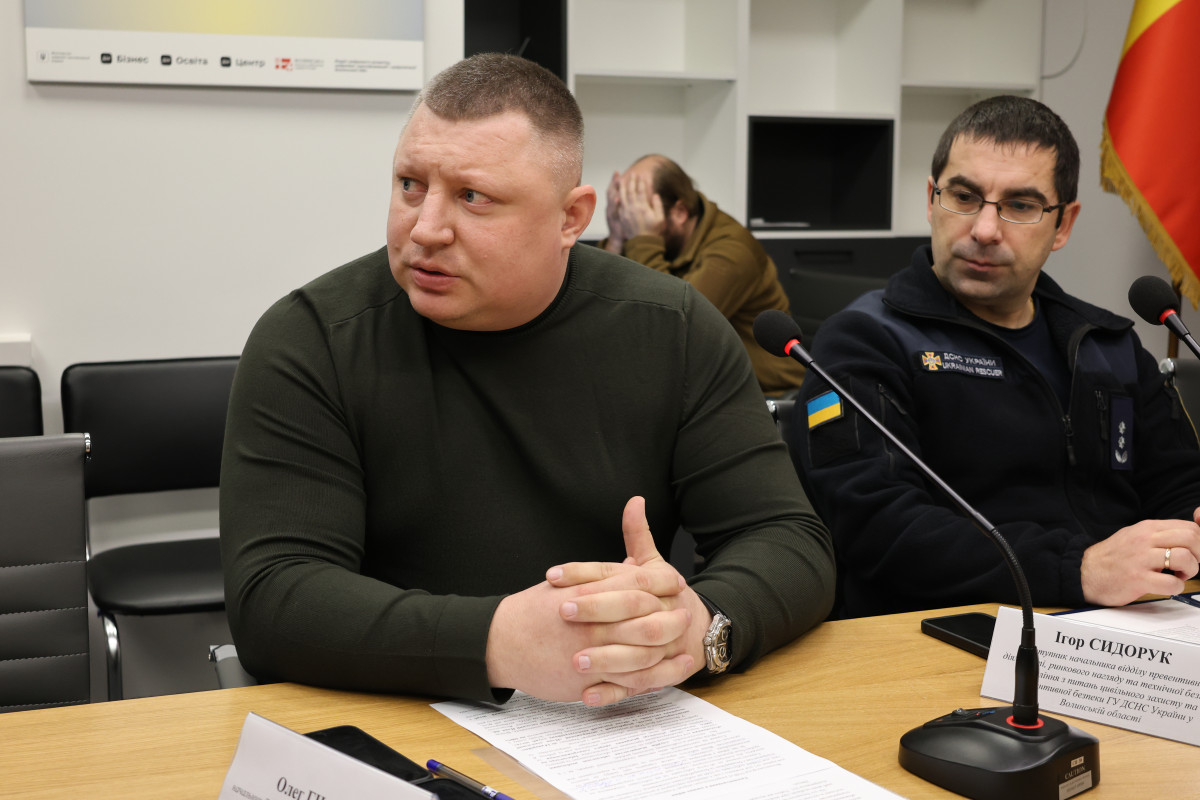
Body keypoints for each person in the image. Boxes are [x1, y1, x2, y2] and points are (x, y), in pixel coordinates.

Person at [220, 53, 835, 707]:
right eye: (409, 185)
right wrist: (496, 642)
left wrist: (699, 628)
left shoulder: (672, 328)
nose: (425, 228)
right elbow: (274, 596)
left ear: (571, 218)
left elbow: (786, 539)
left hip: (613, 718)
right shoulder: (310, 338)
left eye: (473, 197)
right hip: (391, 710)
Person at [789, 95, 1200, 619]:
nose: (984, 229)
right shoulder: (863, 341)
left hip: (1120, 621)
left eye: (1020, 205)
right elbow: (878, 527)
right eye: (964, 197)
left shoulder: (1105, 343)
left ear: (1063, 224)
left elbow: (1178, 485)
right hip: (940, 627)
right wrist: (1076, 569)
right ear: (931, 200)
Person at [601, 155, 805, 395]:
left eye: (639, 211)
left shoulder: (733, 251)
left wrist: (643, 240)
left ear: (679, 212)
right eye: (626, 210)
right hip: (700, 383)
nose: (631, 221)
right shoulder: (656, 240)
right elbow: (603, 311)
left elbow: (671, 329)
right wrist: (616, 240)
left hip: (766, 394)